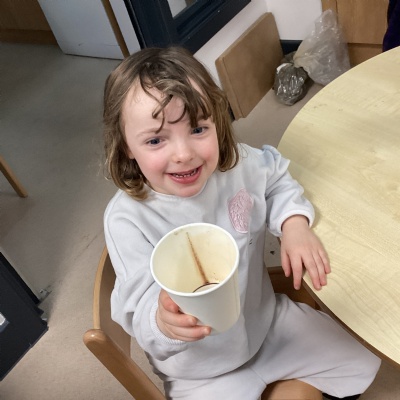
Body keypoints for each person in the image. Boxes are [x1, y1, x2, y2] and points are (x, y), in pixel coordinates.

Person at [102, 46, 381, 400]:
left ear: (217, 122)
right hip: (199, 368)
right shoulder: (127, 220)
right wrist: (162, 322)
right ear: (126, 146)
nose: (184, 154)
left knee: (361, 364)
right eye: (156, 140)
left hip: (266, 324)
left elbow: (275, 178)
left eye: (198, 129)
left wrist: (294, 224)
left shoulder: (238, 164)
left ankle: (287, 384)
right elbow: (138, 309)